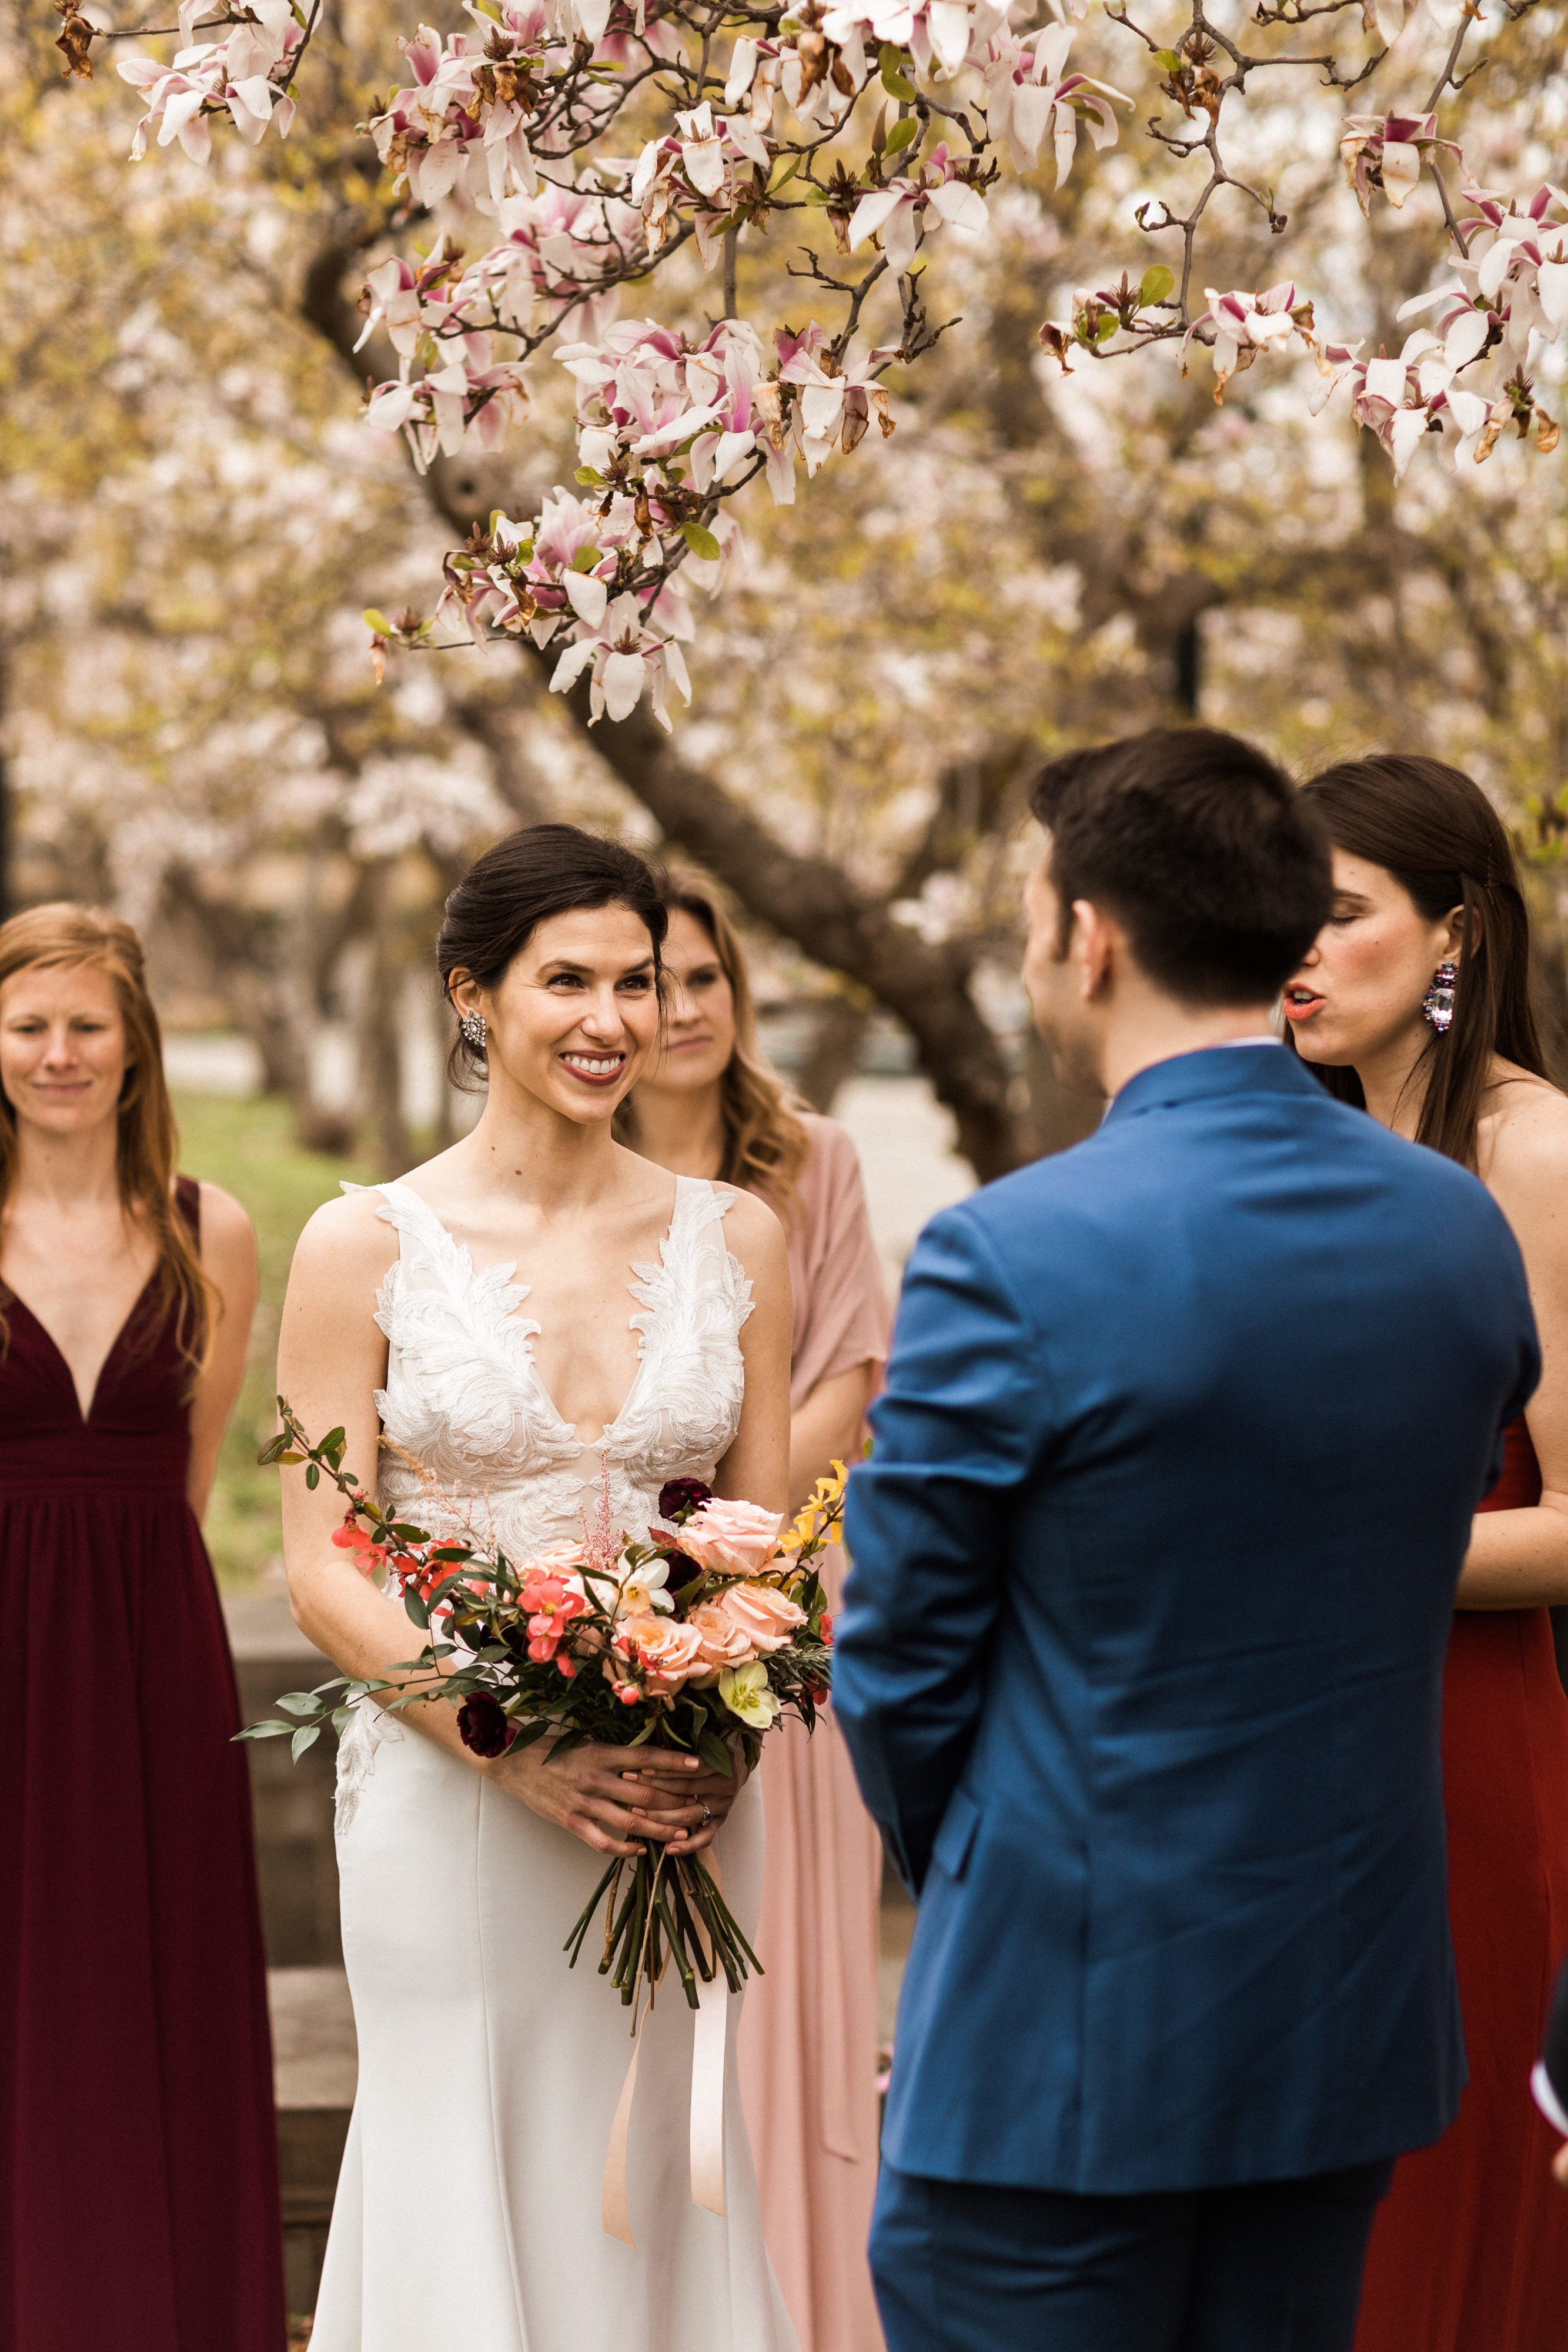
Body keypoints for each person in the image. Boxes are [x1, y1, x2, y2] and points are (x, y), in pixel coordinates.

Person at [833, 728, 1542, 2352]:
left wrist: (1012, 1876)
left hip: (1062, 2040)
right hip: (1344, 2016)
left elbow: (896, 1669)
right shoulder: (1450, 1225)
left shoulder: (1004, 1252)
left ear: (1087, 935)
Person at [283, 824, 798, 2352]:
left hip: (674, 1788)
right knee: (462, 2151)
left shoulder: (738, 1238)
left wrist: (717, 1707)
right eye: (562, 980)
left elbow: (768, 1533)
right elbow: (322, 1561)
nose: (609, 1020)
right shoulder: (360, 1242)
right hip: (454, 1794)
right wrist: (514, 1746)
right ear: (472, 997)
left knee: (656, 2169)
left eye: (633, 982)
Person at [1282, 753, 1568, 2352]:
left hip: (1463, 1757)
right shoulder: (1306, 1152)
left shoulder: (1533, 1153)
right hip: (1293, 1762)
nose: (1296, 958)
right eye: (1280, 921)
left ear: (1450, 935)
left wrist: (1336, 1558)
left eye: (1336, 917)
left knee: (1449, 2227)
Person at [0, 904, 279, 2352]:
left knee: (146, 2000)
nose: (58, 1053)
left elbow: (190, 1463)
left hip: (153, 1642)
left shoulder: (206, 1224)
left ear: (133, 1043)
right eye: (29, 1024)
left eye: (85, 1025)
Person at [618, 875, 888, 2352]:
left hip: (784, 1590)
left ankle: (805, 2295)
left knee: (788, 1948)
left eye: (703, 976)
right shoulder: (576, 1177)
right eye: (647, 980)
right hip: (613, 1598)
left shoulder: (815, 1159)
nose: (678, 1008)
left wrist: (735, 1547)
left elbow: (849, 1372)